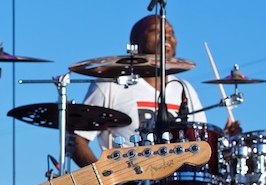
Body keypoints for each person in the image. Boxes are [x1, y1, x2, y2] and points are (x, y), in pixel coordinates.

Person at [70, 15, 240, 167]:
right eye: (155, 30)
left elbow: (200, 142)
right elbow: (76, 141)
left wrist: (224, 139)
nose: (167, 36)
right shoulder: (111, 84)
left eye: (171, 33)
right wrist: (103, 181)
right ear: (135, 40)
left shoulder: (184, 88)